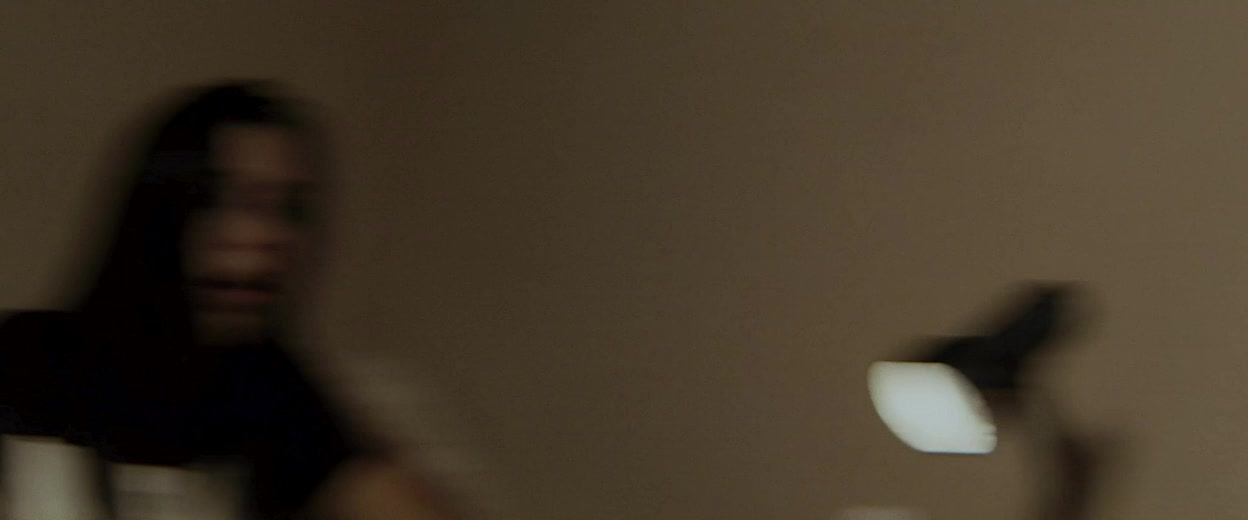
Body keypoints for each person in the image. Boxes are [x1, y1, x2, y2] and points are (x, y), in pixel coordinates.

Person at [0, 82, 463, 519]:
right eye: (225, 198)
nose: (266, 236)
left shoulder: (272, 393)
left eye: (291, 209)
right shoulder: (26, 361)